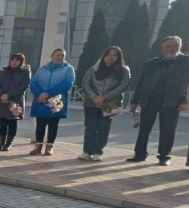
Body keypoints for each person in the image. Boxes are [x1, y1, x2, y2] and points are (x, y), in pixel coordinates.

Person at [127, 36, 189, 166]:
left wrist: (185, 101)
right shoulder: (151, 63)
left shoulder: (186, 62)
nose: (172, 49)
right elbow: (141, 83)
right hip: (149, 100)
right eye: (168, 46)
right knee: (144, 129)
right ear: (162, 48)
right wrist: (134, 101)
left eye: (175, 46)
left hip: (172, 102)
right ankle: (139, 154)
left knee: (168, 130)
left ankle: (164, 156)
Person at [80, 46, 131, 161]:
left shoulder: (123, 70)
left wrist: (105, 98)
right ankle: (87, 151)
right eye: (109, 54)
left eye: (115, 55)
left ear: (119, 57)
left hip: (110, 103)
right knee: (90, 126)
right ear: (104, 56)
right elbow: (85, 84)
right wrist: (94, 97)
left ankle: (97, 151)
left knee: (103, 127)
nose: (111, 57)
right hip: (91, 102)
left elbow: (123, 85)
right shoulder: (94, 68)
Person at [29, 48, 75, 156]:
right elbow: (33, 82)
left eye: (62, 56)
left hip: (56, 101)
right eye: (57, 55)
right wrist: (40, 94)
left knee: (53, 124)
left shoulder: (69, 69)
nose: (60, 57)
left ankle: (49, 147)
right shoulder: (42, 69)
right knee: (40, 124)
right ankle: (38, 146)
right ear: (52, 56)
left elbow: (67, 83)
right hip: (41, 100)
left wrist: (49, 93)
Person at [0, 53, 31, 151]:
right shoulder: (4, 71)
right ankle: (1, 143)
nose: (14, 62)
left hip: (15, 100)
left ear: (21, 62)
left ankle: (8, 143)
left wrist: (8, 95)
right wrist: (2, 95)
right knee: (2, 122)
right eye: (12, 59)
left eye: (17, 60)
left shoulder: (25, 73)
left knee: (12, 122)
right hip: (2, 100)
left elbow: (23, 86)